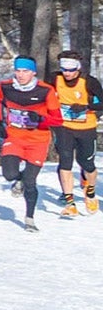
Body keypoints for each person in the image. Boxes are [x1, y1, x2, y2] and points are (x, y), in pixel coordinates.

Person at [0, 57, 62, 232]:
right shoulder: (5, 87)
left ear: (33, 73)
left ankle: (29, 218)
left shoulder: (45, 90)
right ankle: (17, 181)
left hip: (38, 140)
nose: (21, 75)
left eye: (25, 71)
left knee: (30, 181)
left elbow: (58, 120)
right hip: (14, 137)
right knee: (9, 174)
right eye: (18, 71)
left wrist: (41, 119)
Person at [50, 50, 102, 216]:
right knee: (65, 162)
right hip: (64, 127)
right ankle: (70, 202)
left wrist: (87, 107)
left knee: (87, 164)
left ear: (78, 68)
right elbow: (43, 96)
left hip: (86, 128)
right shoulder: (54, 79)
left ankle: (91, 192)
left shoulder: (89, 82)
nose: (67, 73)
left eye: (71, 70)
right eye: (64, 69)